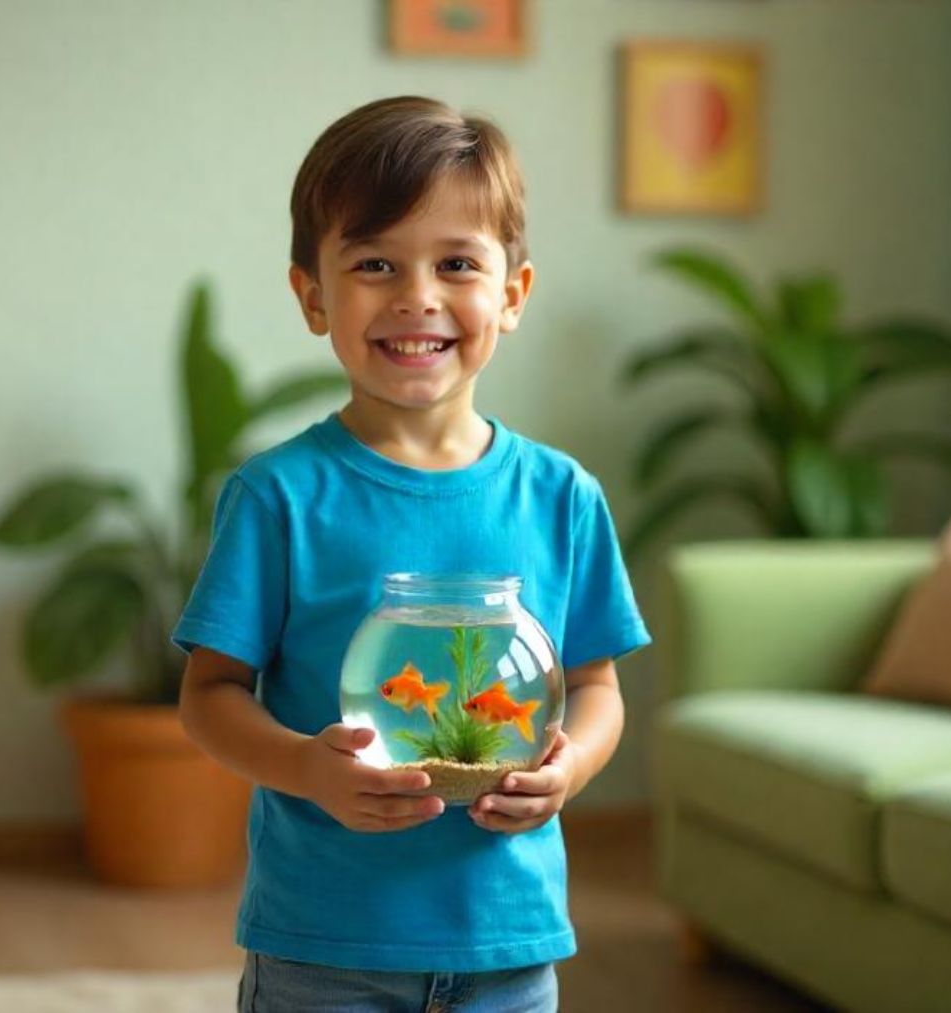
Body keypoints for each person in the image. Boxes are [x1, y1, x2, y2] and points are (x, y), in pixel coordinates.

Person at [174, 94, 651, 1013]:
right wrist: (308, 767)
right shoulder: (278, 495)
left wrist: (571, 768)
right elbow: (210, 695)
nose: (417, 295)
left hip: (508, 938)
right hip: (323, 941)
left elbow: (596, 688)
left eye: (457, 263)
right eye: (375, 262)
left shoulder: (563, 497)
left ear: (511, 294)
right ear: (313, 294)